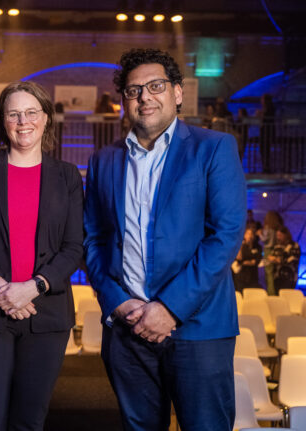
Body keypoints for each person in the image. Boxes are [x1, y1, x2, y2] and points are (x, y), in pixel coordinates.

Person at [84, 48, 246, 431]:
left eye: (156, 86)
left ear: (177, 92)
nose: (145, 97)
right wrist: (117, 302)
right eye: (134, 90)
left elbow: (225, 236)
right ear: (124, 100)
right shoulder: (103, 160)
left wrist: (169, 309)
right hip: (128, 330)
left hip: (198, 329)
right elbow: (94, 240)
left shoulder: (214, 148)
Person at [0, 81, 84, 431]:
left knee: (29, 422)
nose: (23, 122)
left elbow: (74, 246)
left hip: (47, 314)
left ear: (46, 118)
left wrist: (32, 288)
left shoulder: (68, 176)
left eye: (31, 113)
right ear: (2, 121)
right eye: (13, 114)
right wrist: (2, 288)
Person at [259, 210, 284, 295]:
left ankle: (271, 293)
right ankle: (273, 292)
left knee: (268, 273)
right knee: (272, 273)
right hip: (274, 250)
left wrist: (259, 234)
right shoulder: (276, 228)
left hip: (267, 250)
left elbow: (264, 239)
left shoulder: (267, 227)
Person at [269, 225, 301, 291]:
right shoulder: (277, 246)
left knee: (287, 295)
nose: (278, 237)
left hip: (289, 277)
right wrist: (273, 259)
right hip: (277, 277)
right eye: (277, 235)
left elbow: (292, 259)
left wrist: (279, 260)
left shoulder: (294, 245)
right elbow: (271, 257)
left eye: (280, 235)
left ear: (286, 235)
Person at [233, 227, 262, 291]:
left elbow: (256, 261)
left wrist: (248, 262)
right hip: (241, 276)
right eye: (248, 234)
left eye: (251, 234)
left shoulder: (258, 247)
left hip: (253, 276)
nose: (250, 236)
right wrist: (240, 246)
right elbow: (239, 258)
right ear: (244, 235)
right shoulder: (241, 246)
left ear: (254, 236)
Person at [257, 93, 275, 173]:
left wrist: (261, 114)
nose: (261, 101)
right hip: (264, 131)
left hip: (267, 132)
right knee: (263, 150)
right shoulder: (266, 108)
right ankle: (265, 167)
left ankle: (266, 167)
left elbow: (267, 118)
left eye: (262, 99)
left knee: (265, 150)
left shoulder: (270, 108)